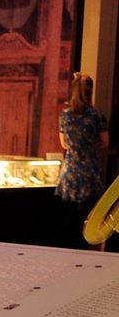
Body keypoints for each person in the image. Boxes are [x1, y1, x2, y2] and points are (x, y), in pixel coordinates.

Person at [57, 71, 109, 246]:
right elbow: (105, 141)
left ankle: (67, 247)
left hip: (70, 170)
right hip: (89, 169)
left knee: (67, 216)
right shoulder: (96, 115)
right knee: (87, 215)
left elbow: (64, 144)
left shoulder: (65, 115)